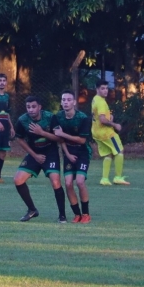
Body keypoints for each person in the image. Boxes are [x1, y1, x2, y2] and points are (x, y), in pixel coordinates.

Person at [13, 96, 67, 223]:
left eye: (33, 107)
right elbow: (19, 138)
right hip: (34, 153)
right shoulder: (22, 120)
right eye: (28, 107)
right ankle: (32, 210)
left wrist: (42, 132)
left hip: (50, 152)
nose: (31, 110)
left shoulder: (50, 117)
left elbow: (59, 139)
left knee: (55, 182)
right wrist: (34, 155)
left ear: (39, 107)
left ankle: (62, 215)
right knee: (18, 180)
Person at [53, 89, 92, 223]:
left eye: (69, 100)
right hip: (68, 153)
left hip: (82, 153)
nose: (66, 102)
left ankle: (86, 214)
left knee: (80, 181)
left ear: (74, 102)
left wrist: (63, 134)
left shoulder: (83, 118)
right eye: (63, 100)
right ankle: (77, 214)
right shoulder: (58, 117)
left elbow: (82, 140)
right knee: (68, 183)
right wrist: (67, 154)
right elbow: (59, 139)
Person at [91, 79, 130, 186]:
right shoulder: (101, 102)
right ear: (97, 89)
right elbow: (103, 120)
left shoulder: (95, 99)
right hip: (105, 133)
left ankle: (104, 179)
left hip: (96, 132)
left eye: (106, 88)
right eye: (102, 89)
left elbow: (99, 116)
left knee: (108, 154)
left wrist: (109, 117)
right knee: (119, 151)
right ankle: (118, 177)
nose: (105, 91)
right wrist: (115, 125)